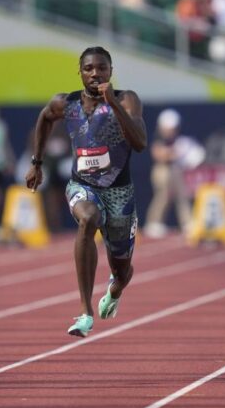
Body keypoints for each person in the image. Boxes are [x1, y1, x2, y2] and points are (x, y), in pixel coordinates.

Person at [26, 47, 147, 338]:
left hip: (119, 192)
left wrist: (113, 104)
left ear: (111, 71)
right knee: (88, 218)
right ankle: (85, 311)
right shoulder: (65, 103)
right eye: (89, 68)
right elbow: (44, 118)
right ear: (79, 72)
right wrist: (37, 163)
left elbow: (140, 142)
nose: (96, 74)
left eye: (102, 68)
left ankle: (114, 290)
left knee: (122, 271)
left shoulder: (126, 99)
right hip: (82, 185)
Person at [145, 108, 204, 239]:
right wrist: (175, 152)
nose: (170, 131)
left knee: (182, 195)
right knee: (163, 195)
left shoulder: (180, 139)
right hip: (162, 170)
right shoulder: (159, 138)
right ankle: (154, 222)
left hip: (176, 170)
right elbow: (158, 155)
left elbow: (191, 153)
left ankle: (187, 222)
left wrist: (186, 155)